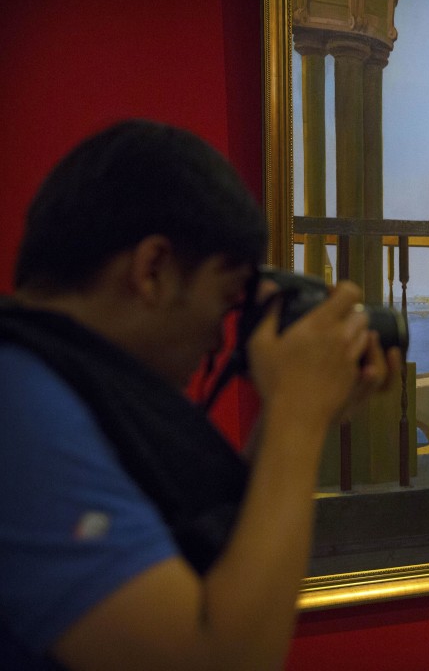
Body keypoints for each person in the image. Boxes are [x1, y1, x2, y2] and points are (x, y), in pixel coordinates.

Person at [0, 120, 399, 670]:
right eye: (222, 300)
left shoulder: (61, 382)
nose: (219, 337)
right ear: (153, 269)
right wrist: (296, 419)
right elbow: (216, 659)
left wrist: (296, 414)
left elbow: (214, 560)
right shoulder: (19, 410)